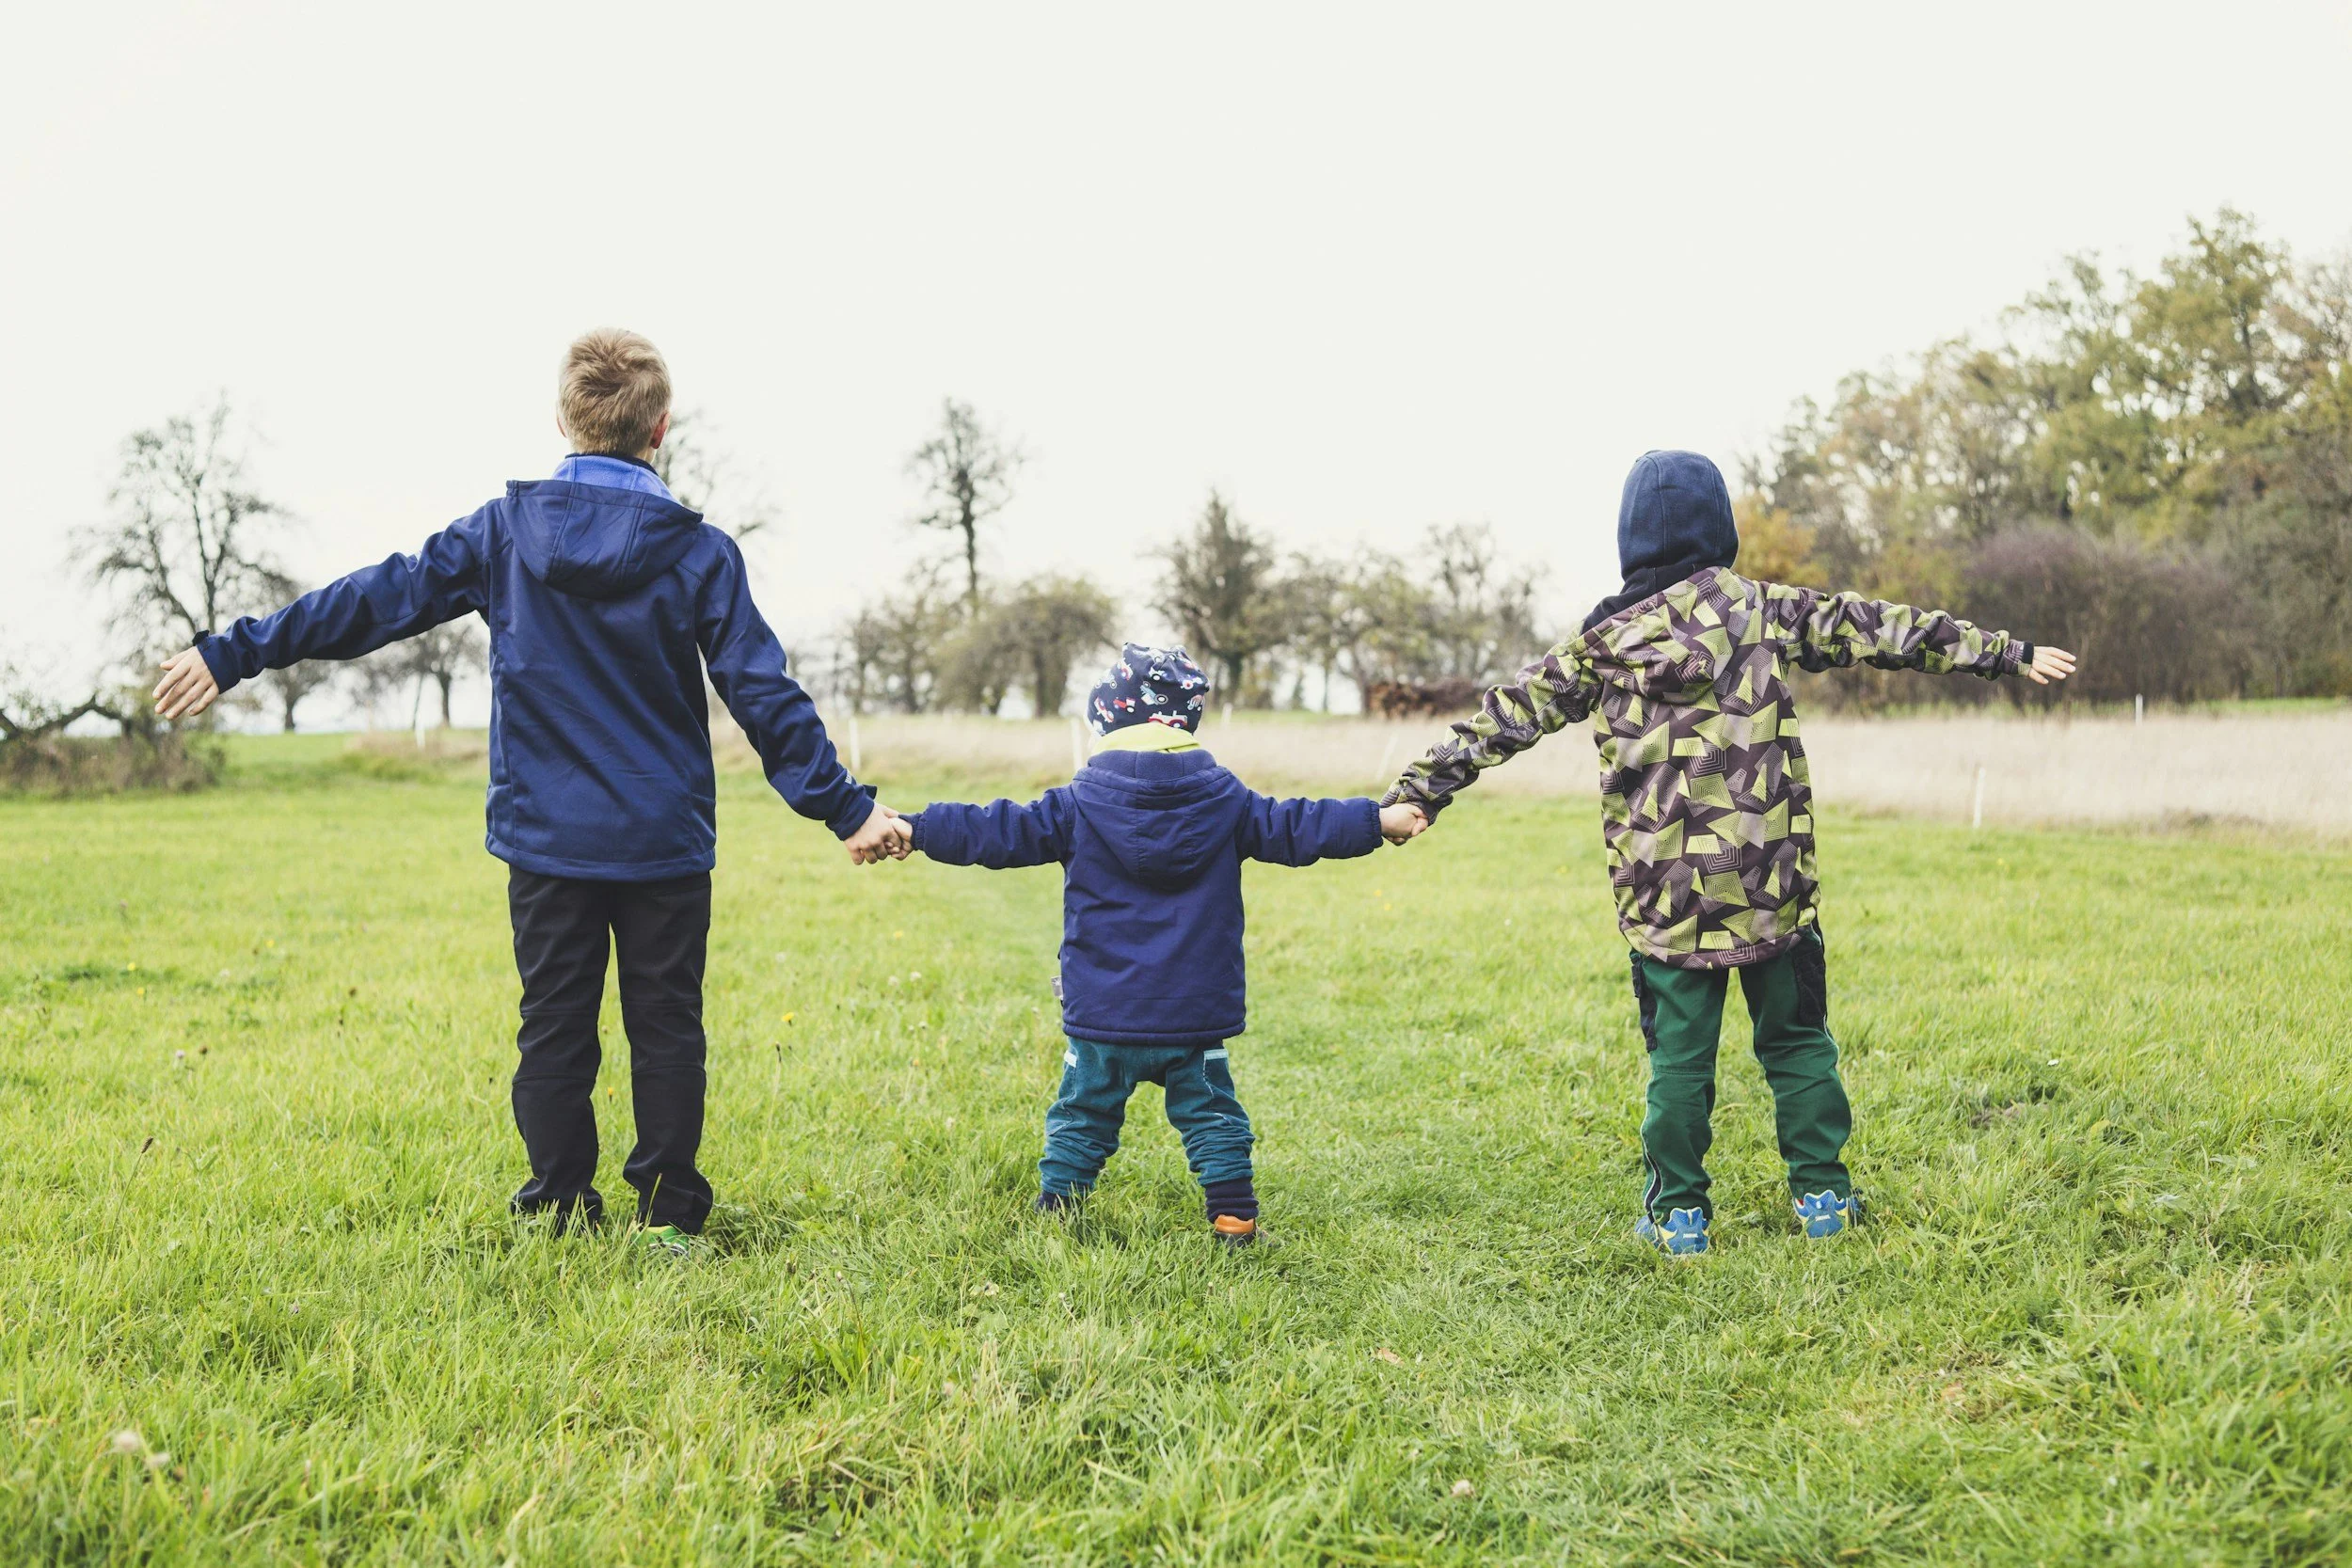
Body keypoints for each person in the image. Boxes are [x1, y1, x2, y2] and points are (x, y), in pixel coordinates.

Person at [150, 328, 910, 1253]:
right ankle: (668, 1217)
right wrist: (847, 806)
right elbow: (762, 691)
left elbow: (377, 598)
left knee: (553, 1029)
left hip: (548, 838)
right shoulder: (701, 551)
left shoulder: (504, 534)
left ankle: (557, 1206)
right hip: (663, 838)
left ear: (563, 418)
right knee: (666, 1025)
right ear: (660, 427)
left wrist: (235, 651)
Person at [1383, 450, 2074, 1256]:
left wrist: (1421, 790)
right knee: (1797, 1043)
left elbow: (1504, 715)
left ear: (1630, 541)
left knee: (1679, 1062)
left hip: (1667, 901)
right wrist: (2006, 652)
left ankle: (1679, 1216)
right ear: (1723, 529)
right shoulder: (1759, 610)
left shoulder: (1599, 646)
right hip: (1770, 883)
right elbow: (1877, 627)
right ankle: (1822, 1197)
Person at [895, 644, 1425, 1244]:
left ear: (1107, 721)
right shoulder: (1229, 802)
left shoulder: (1075, 804)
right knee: (1212, 1116)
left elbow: (996, 830)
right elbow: (1298, 824)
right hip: (1193, 1012)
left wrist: (917, 828)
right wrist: (1377, 821)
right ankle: (1233, 1216)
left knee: (1082, 1113)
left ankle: (1057, 1210)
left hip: (1104, 1012)